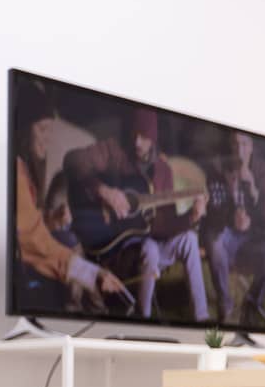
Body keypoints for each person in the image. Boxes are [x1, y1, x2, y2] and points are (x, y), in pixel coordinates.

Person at [64, 107, 209, 321]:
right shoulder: (114, 151)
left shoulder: (163, 170)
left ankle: (203, 321)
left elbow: (164, 224)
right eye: (134, 134)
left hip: (151, 241)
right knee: (149, 248)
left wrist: (191, 218)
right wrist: (104, 191)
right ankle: (143, 319)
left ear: (153, 137)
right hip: (121, 247)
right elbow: (72, 160)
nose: (137, 142)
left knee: (189, 239)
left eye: (143, 136)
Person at [11, 80, 129, 312]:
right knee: (71, 244)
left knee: (67, 238)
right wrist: (92, 273)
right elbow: (35, 243)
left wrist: (50, 220)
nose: (48, 139)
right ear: (23, 129)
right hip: (33, 270)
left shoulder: (24, 169)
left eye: (50, 130)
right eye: (42, 129)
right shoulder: (16, 171)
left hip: (46, 258)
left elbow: (26, 229)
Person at [205, 131, 265, 328]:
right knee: (214, 241)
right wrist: (230, 211)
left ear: (252, 147)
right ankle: (226, 305)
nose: (240, 151)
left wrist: (254, 192)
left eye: (245, 144)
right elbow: (210, 215)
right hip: (228, 238)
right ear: (230, 146)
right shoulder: (218, 169)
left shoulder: (260, 169)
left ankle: (252, 303)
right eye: (235, 144)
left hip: (252, 242)